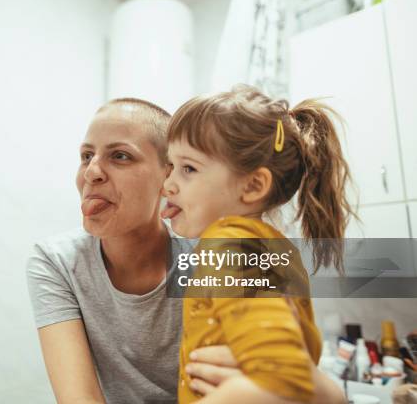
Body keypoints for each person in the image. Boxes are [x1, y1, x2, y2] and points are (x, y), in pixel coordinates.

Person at [26, 97, 345, 404]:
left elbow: (286, 375)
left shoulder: (223, 249)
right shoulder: (56, 261)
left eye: (120, 155)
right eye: (85, 156)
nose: (91, 172)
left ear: (163, 177)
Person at [162, 85, 354, 403]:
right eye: (171, 166)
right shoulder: (271, 247)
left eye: (188, 169)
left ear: (253, 185)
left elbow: (281, 379)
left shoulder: (228, 244)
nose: (168, 184)